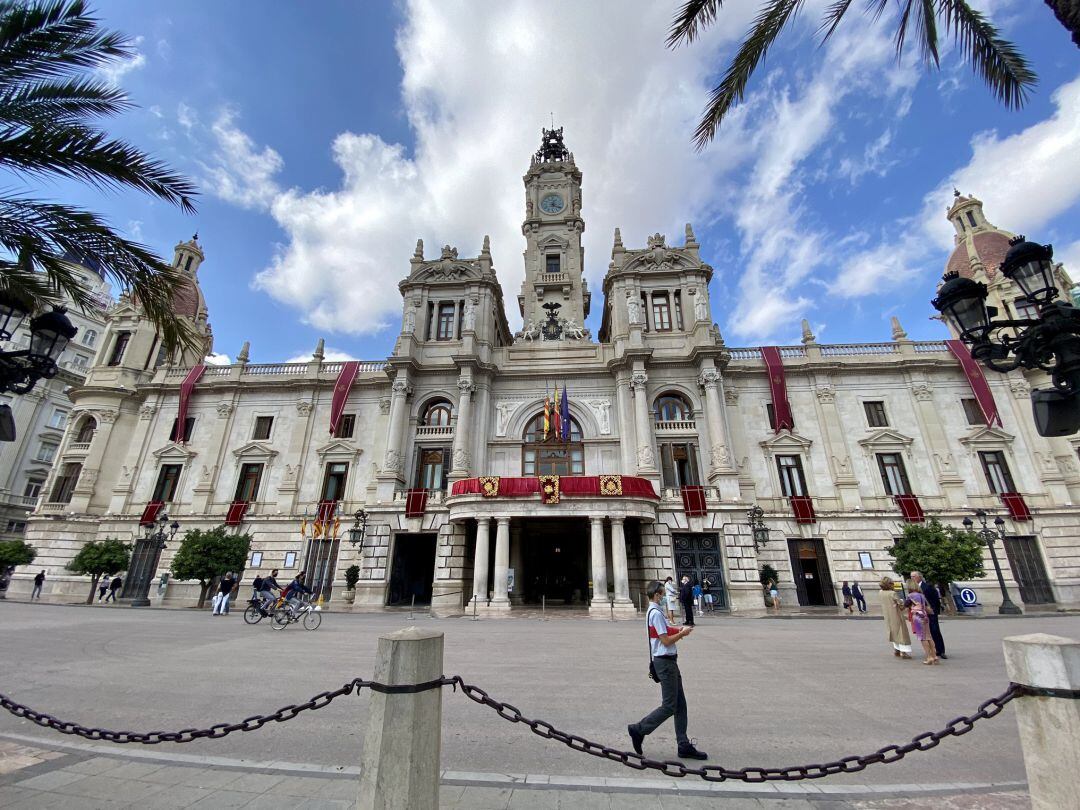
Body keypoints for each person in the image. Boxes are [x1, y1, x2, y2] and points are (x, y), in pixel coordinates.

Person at [627, 580, 707, 761]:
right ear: (657, 595)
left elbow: (664, 630)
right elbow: (665, 640)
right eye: (662, 594)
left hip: (668, 661)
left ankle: (683, 744)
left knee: (680, 705)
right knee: (670, 705)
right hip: (665, 662)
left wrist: (678, 628)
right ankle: (639, 729)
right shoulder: (655, 613)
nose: (664, 597)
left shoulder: (655, 612)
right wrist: (682, 634)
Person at [912, 571, 946, 659]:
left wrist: (935, 612)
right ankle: (932, 651)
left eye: (914, 576)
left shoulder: (928, 587)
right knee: (926, 633)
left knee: (935, 631)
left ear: (919, 577)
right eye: (911, 577)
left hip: (930, 613)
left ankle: (940, 650)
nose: (912, 578)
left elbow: (936, 600)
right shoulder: (913, 588)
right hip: (920, 614)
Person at [878, 577, 912, 659]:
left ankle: (897, 650)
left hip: (888, 615)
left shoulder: (881, 592)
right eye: (892, 583)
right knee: (901, 632)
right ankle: (903, 652)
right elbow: (900, 605)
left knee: (893, 632)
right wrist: (905, 603)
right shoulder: (892, 593)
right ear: (889, 584)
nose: (893, 585)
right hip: (896, 615)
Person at [905, 583, 939, 665]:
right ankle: (934, 656)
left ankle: (929, 657)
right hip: (925, 616)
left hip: (917, 617)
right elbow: (927, 607)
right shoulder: (922, 595)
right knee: (929, 637)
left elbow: (906, 605)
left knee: (923, 638)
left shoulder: (910, 596)